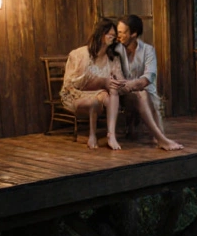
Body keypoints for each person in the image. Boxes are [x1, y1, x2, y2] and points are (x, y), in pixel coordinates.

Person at [114, 15, 183, 150]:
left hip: (141, 90)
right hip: (123, 94)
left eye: (122, 32)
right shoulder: (116, 50)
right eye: (118, 31)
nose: (118, 35)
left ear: (133, 34)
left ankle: (159, 137)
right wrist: (126, 87)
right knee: (142, 94)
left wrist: (132, 85)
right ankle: (161, 138)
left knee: (146, 94)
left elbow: (148, 77)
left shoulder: (148, 50)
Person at [61, 19, 124, 150]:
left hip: (101, 93)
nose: (113, 38)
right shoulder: (79, 54)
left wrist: (119, 83)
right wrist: (100, 81)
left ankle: (111, 135)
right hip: (77, 94)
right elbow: (70, 84)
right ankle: (92, 135)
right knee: (96, 100)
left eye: (114, 35)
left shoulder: (113, 58)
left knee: (111, 91)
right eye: (110, 35)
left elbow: (121, 80)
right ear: (101, 34)